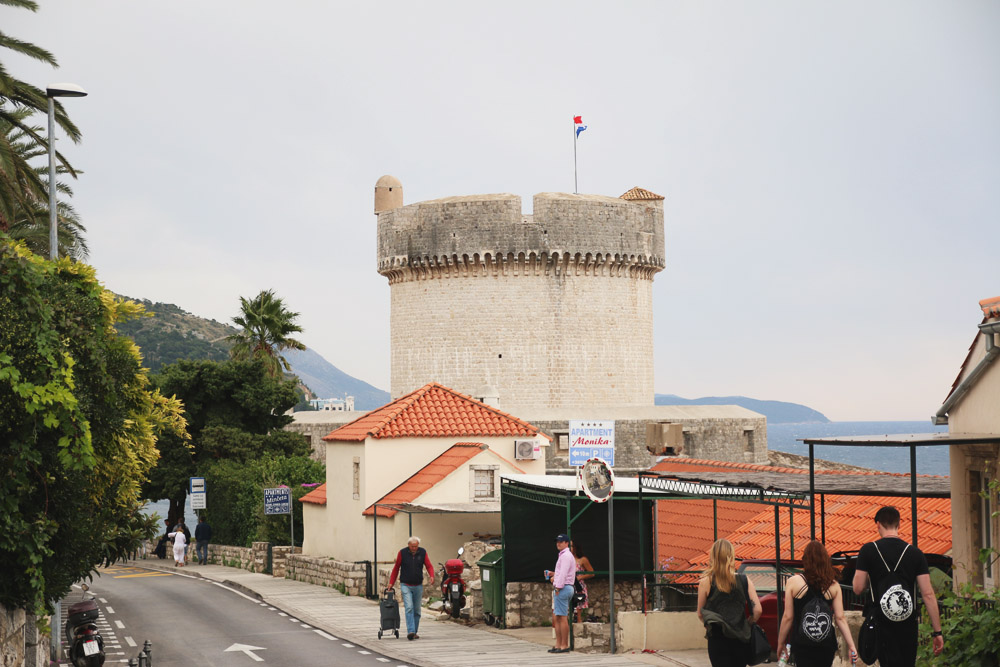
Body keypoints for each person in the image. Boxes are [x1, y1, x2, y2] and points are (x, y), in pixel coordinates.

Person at [852, 506, 944, 667]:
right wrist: (937, 632)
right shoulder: (915, 553)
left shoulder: (868, 551)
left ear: (878, 524)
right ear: (899, 524)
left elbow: (858, 588)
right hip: (907, 623)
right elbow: (928, 594)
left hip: (881, 620)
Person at [777, 540, 857, 667]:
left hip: (802, 643)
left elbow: (788, 617)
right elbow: (840, 618)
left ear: (805, 559)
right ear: (825, 560)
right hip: (826, 644)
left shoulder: (793, 582)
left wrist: (780, 643)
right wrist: (851, 645)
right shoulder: (834, 585)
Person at [697, 539, 761, 667]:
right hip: (740, 637)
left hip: (717, 637)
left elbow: (700, 613)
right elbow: (758, 610)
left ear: (713, 557)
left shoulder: (706, 582)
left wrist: (710, 626)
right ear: (731, 556)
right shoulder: (744, 580)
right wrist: (747, 623)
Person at [387, 536, 435, 640]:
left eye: (416, 546)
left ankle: (415, 631)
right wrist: (391, 582)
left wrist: (431, 576)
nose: (414, 548)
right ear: (408, 545)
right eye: (412, 546)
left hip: (418, 585)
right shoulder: (402, 553)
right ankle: (411, 631)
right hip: (406, 585)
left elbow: (429, 566)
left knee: (417, 610)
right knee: (409, 608)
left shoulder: (422, 552)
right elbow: (396, 568)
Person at [544, 533, 576, 654]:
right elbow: (562, 573)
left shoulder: (566, 556)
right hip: (564, 587)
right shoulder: (564, 555)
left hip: (563, 588)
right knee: (557, 617)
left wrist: (557, 587)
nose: (558, 543)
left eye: (561, 541)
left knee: (561, 617)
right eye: (557, 541)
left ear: (567, 543)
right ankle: (559, 644)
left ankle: (563, 645)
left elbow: (563, 574)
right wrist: (554, 575)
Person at [569, 540, 594, 623]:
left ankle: (578, 630)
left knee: (578, 611)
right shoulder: (566, 559)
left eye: (571, 546)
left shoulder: (582, 560)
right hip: (568, 586)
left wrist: (581, 577)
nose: (569, 548)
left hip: (578, 587)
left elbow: (592, 573)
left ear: (575, 548)